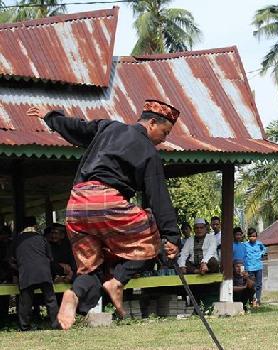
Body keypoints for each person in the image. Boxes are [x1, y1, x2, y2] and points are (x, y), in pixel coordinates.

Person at [27, 100, 181, 329]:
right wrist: (171, 237)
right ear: (151, 123)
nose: (164, 139)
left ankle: (74, 295)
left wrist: (50, 117)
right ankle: (118, 281)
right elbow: (158, 197)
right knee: (152, 238)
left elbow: (77, 128)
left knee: (92, 267)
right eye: (164, 132)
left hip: (77, 205)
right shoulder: (149, 152)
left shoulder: (108, 128)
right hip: (107, 203)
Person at [12, 217, 59, 331]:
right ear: (35, 226)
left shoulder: (17, 240)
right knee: (50, 299)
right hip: (43, 272)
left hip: (26, 273)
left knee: (26, 302)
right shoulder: (42, 239)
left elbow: (10, 259)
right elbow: (50, 258)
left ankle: (25, 326)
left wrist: (18, 268)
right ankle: (56, 324)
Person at [244, 227, 267, 307]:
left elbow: (264, 249)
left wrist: (261, 254)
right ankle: (252, 300)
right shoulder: (245, 245)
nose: (253, 238)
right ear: (248, 236)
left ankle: (258, 300)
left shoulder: (259, 244)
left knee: (259, 284)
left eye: (254, 236)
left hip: (258, 267)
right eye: (251, 236)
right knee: (251, 285)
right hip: (250, 268)